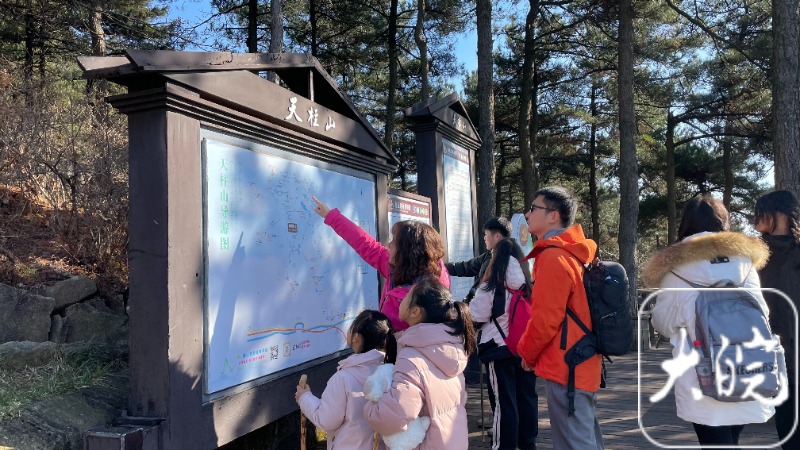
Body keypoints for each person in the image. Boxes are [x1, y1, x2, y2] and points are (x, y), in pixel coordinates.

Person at [643, 195, 773, 448]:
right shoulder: (744, 262)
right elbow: (762, 312)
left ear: (686, 225)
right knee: (732, 439)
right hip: (746, 363)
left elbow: (664, 323)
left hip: (701, 371)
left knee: (714, 441)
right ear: (724, 222)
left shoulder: (676, 269)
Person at [517, 186, 604, 450]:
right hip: (580, 360)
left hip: (566, 367)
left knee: (574, 443)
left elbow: (545, 320)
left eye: (533, 208)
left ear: (553, 216)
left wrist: (527, 354)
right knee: (585, 440)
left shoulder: (554, 257)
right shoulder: (573, 253)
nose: (527, 214)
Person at [364, 277, 476, 449]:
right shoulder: (451, 347)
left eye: (408, 296)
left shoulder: (412, 355)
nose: (401, 298)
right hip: (453, 441)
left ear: (415, 311)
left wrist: (370, 409)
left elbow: (395, 414)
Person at [312, 196, 450, 332]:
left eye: (394, 242)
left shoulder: (431, 295)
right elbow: (365, 244)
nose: (388, 246)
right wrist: (332, 217)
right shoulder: (399, 266)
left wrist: (397, 339)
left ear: (408, 251)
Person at [471, 237, 538, 450]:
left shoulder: (492, 284)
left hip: (498, 348)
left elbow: (477, 315)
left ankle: (504, 446)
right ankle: (528, 444)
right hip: (525, 348)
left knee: (504, 403)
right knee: (527, 398)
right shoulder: (528, 284)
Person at [295, 309, 396, 450]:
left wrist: (304, 398)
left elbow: (326, 420)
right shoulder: (392, 372)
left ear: (356, 337)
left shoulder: (343, 378)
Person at [755, 189, 800, 449]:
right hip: (769, 345)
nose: (755, 220)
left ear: (779, 215)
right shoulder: (753, 254)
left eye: (761, 213)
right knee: (785, 415)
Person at [445, 217, 513, 303]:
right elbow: (467, 267)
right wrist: (440, 266)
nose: (484, 238)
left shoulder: (510, 261)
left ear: (497, 236)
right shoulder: (489, 255)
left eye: (486, 234)